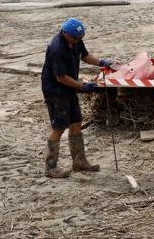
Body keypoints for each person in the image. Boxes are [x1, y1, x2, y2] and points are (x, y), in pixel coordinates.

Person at [41, 18, 116, 178]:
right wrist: (81, 86)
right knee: (59, 127)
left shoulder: (76, 39)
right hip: (55, 90)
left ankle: (79, 162)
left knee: (76, 122)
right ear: (65, 34)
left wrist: (102, 62)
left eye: (81, 38)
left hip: (69, 87)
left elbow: (85, 55)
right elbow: (60, 77)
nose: (79, 41)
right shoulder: (57, 48)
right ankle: (50, 167)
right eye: (76, 39)